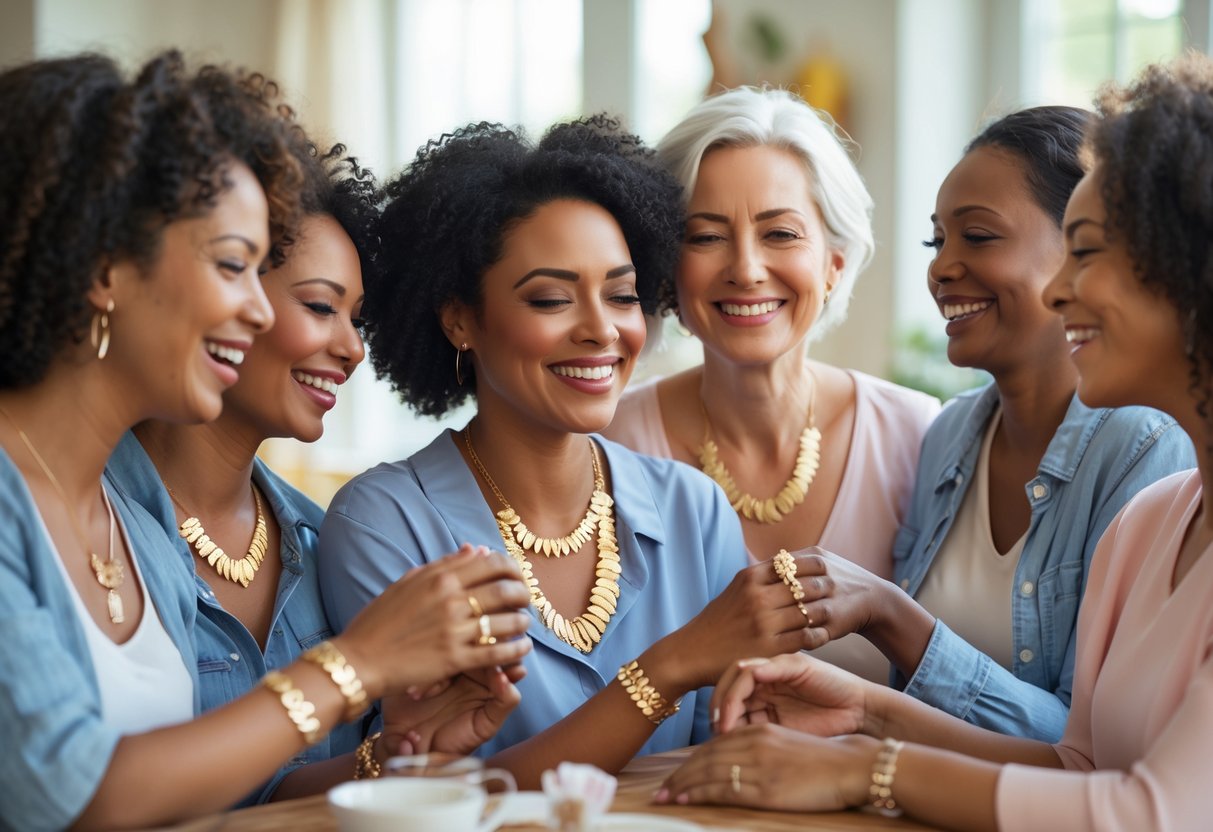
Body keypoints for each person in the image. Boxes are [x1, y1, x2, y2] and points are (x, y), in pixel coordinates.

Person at [658, 53, 1213, 831]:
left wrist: (867, 759)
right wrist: (866, 710)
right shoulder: (1146, 522)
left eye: (1087, 253)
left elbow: (1145, 807)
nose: (1060, 292)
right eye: (936, 242)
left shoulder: (1130, 457)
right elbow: (1077, 766)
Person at [0, 52, 531, 831]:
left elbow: (192, 793)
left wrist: (392, 752)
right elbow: (72, 794)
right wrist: (355, 666)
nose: (256, 311)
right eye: (232, 266)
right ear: (104, 264)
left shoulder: (129, 523)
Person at [319, 116, 825, 788]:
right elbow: (434, 792)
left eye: (621, 296)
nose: (601, 330)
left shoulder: (692, 509)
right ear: (459, 319)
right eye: (552, 298)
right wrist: (666, 669)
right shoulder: (384, 523)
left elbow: (731, 757)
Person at [103, 145, 528, 804]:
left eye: (356, 319)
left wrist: (387, 759)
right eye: (321, 307)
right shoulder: (90, 520)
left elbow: (272, 795)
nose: (354, 348)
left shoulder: (317, 537)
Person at [762, 105, 1194, 740]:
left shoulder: (1145, 447)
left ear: (1083, 247)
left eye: (979, 236)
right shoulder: (949, 434)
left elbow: (1093, 747)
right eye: (938, 241)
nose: (941, 267)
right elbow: (911, 706)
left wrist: (890, 612)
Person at [604, 87, 940, 683]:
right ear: (665, 271)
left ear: (834, 263)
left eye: (780, 234)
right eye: (705, 237)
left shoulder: (919, 434)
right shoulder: (611, 444)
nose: (746, 268)